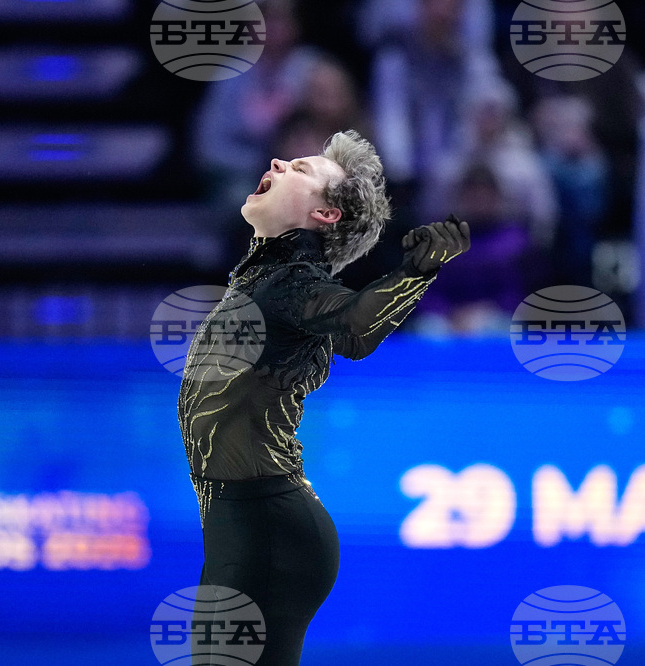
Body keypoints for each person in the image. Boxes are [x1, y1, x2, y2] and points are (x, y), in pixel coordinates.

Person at [177, 129, 470, 664]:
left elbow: (356, 329)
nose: (278, 162)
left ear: (325, 216)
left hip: (267, 527)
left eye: (301, 169)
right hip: (248, 523)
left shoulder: (292, 280)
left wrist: (415, 272)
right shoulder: (267, 278)